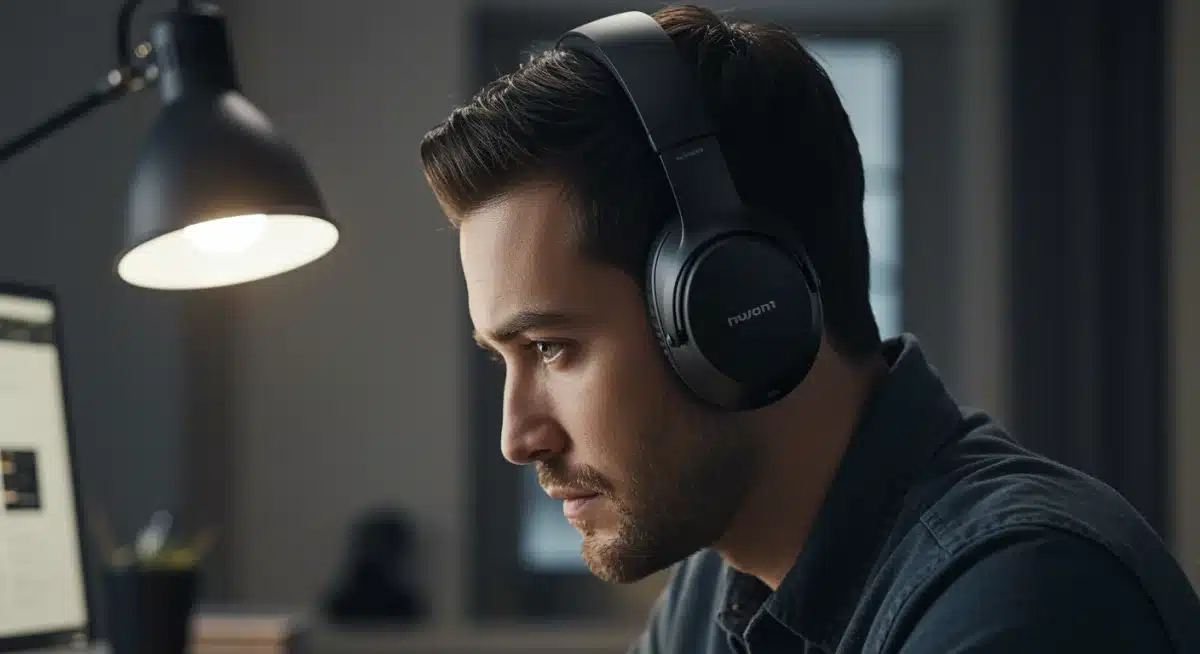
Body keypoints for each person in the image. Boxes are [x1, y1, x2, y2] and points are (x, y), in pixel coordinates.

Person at [418, 4, 1200, 652]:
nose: (518, 438)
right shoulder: (721, 584)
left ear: (733, 307)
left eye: (551, 347)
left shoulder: (1030, 600)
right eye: (502, 359)